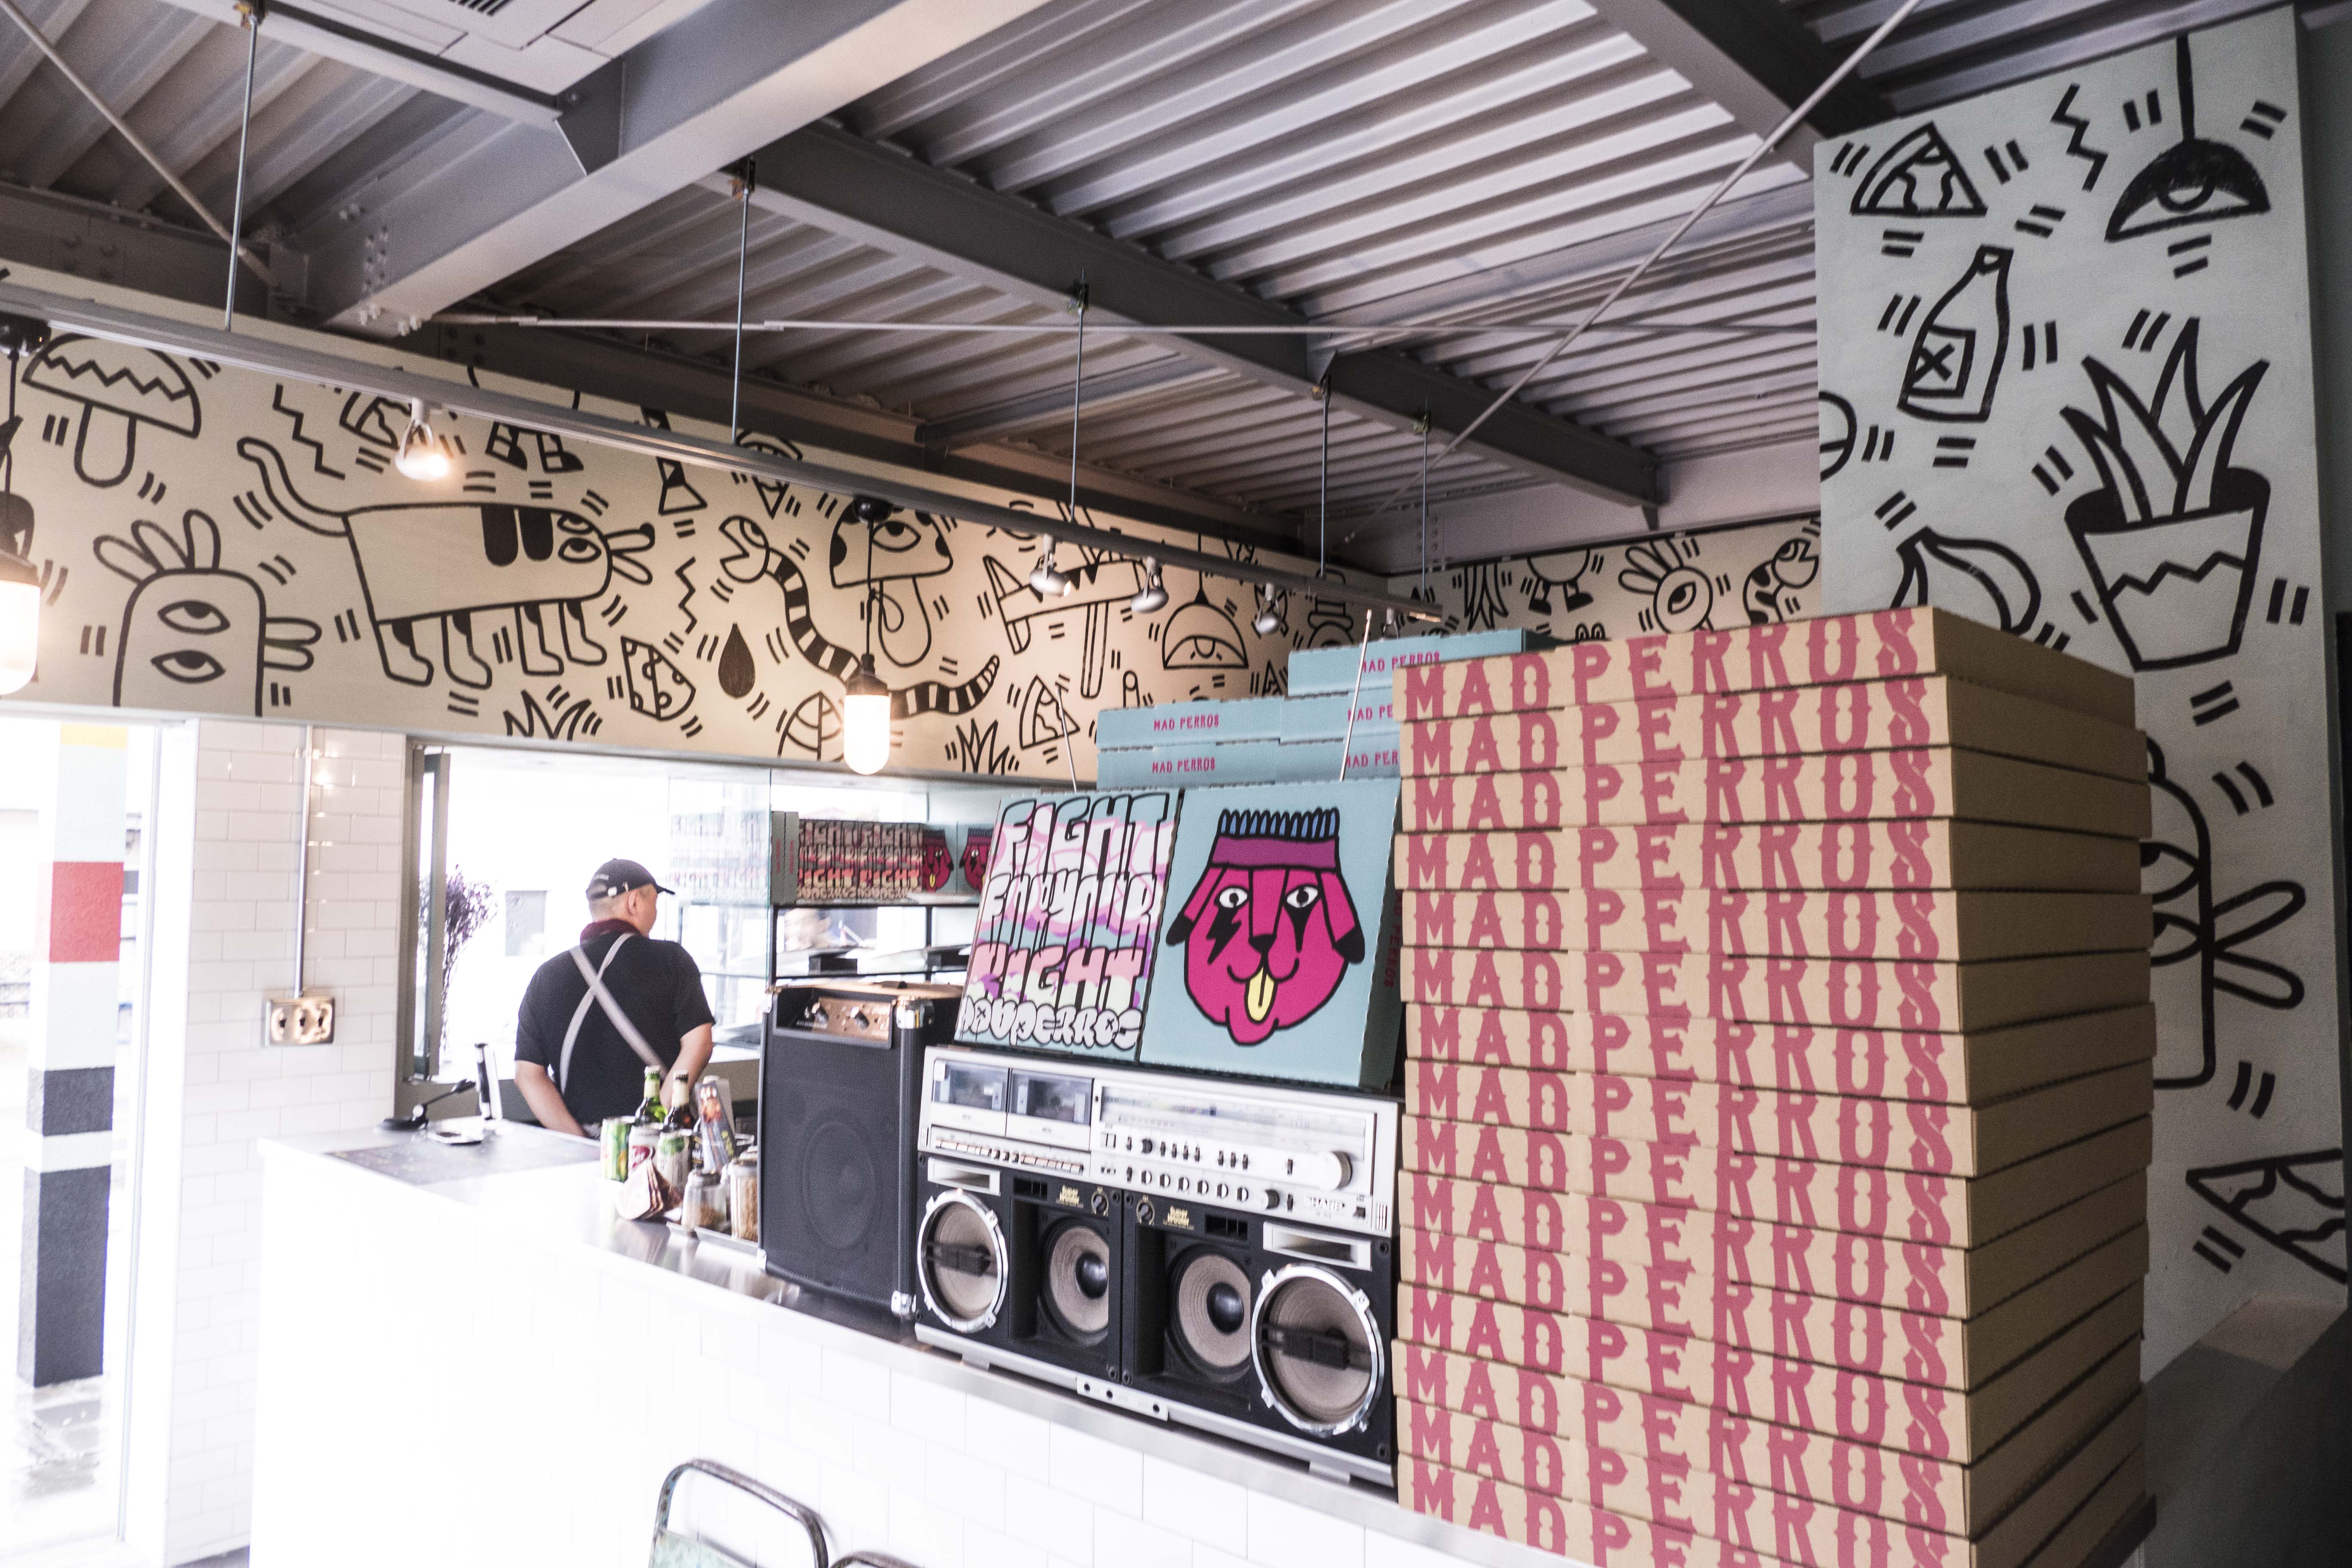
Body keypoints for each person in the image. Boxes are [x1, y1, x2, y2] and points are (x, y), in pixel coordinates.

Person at [512, 859, 715, 1138]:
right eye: (655, 902)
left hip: (582, 1147)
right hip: (660, 1146)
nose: (656, 912)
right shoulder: (672, 961)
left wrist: (580, 1143)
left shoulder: (546, 976)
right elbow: (699, 1043)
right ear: (634, 902)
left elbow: (528, 1075)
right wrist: (652, 1127)